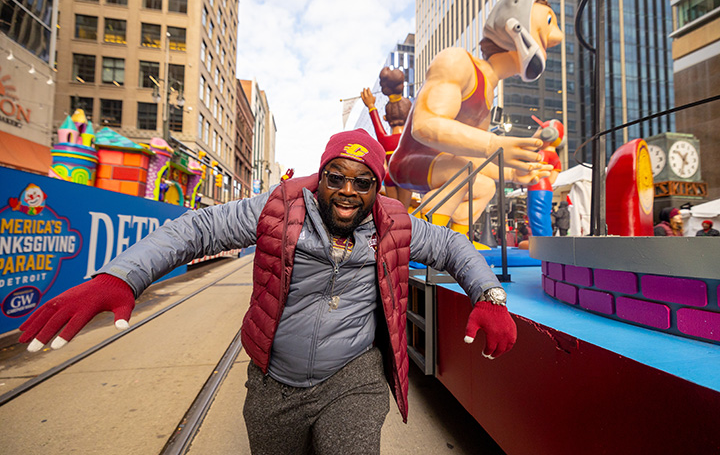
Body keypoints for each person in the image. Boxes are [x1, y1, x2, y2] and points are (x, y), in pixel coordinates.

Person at [18, 129, 516, 455]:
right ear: (320, 177)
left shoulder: (396, 223)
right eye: (336, 176)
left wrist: (489, 297)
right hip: (273, 382)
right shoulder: (278, 208)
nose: (348, 190)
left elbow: (452, 245)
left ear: (376, 189)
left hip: (354, 377)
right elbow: (197, 230)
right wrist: (121, 277)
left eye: (363, 182)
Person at [388, 0, 562, 237]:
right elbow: (424, 124)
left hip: (446, 163)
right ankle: (420, 238)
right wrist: (493, 143)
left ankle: (459, 239)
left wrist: (513, 172)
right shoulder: (457, 62)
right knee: (465, 169)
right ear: (516, 29)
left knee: (484, 187)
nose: (557, 36)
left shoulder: (488, 94)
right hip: (407, 163)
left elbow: (475, 154)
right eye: (548, 22)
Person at [360, 67, 413, 209]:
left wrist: (371, 105)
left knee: (394, 211)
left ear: (386, 118)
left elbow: (377, 126)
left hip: (390, 176)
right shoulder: (410, 138)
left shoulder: (385, 140)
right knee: (404, 212)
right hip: (405, 175)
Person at [526, 117, 563, 236]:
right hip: (547, 189)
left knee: (536, 214)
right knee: (543, 215)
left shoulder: (542, 154)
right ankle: (544, 241)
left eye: (539, 129)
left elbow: (535, 170)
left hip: (537, 187)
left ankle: (541, 243)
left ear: (548, 134)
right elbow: (552, 179)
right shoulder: (555, 156)